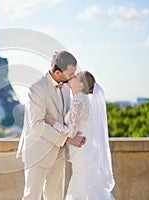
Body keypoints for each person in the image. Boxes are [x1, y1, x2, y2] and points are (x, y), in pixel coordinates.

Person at [16, 51, 86, 200]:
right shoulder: (36, 89)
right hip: (37, 152)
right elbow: (36, 125)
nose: (74, 76)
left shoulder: (67, 88)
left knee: (56, 197)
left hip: (59, 153)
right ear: (58, 72)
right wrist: (66, 139)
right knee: (32, 197)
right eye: (71, 73)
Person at [45, 71, 116, 199]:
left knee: (81, 189)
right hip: (85, 152)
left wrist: (52, 122)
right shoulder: (85, 100)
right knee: (85, 189)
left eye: (74, 78)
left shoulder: (78, 100)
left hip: (81, 154)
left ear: (80, 85)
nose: (71, 78)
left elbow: (72, 132)